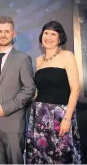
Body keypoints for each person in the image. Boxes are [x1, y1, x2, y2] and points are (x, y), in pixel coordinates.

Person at [0, 16, 35, 164]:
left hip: (13, 124)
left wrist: (6, 108)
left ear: (13, 34)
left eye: (7, 31)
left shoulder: (23, 59)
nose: (3, 35)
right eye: (0, 31)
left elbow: (29, 89)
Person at [26, 21, 83, 164]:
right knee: (41, 155)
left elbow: (75, 89)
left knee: (62, 156)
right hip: (40, 115)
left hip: (60, 115)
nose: (49, 37)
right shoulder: (39, 60)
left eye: (53, 34)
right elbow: (38, 90)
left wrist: (67, 118)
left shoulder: (67, 56)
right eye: (46, 33)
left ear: (59, 38)